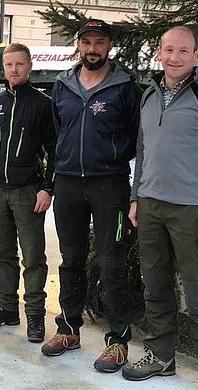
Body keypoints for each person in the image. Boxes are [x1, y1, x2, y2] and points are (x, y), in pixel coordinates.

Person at [122, 26, 198, 390]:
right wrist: (135, 197)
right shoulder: (149, 96)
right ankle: (162, 356)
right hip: (151, 206)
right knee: (155, 285)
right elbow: (143, 153)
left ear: (196, 55)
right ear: (159, 52)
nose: (175, 57)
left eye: (183, 51)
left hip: (193, 211)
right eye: (169, 50)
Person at [44, 19, 142, 373]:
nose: (92, 48)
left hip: (109, 185)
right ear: (78, 45)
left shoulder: (124, 87)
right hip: (69, 183)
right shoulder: (62, 85)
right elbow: (59, 132)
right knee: (70, 259)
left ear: (109, 47)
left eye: (99, 42)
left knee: (111, 262)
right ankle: (68, 329)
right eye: (87, 42)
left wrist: (111, 156)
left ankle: (117, 341)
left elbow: (137, 137)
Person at [0, 42, 56, 343]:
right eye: (9, 65)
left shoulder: (43, 105)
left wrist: (47, 188)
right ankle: (7, 307)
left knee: (33, 257)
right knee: (2, 253)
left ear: (29, 66)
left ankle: (35, 315)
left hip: (28, 192)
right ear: (3, 68)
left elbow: (54, 151)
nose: (14, 70)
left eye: (19, 64)